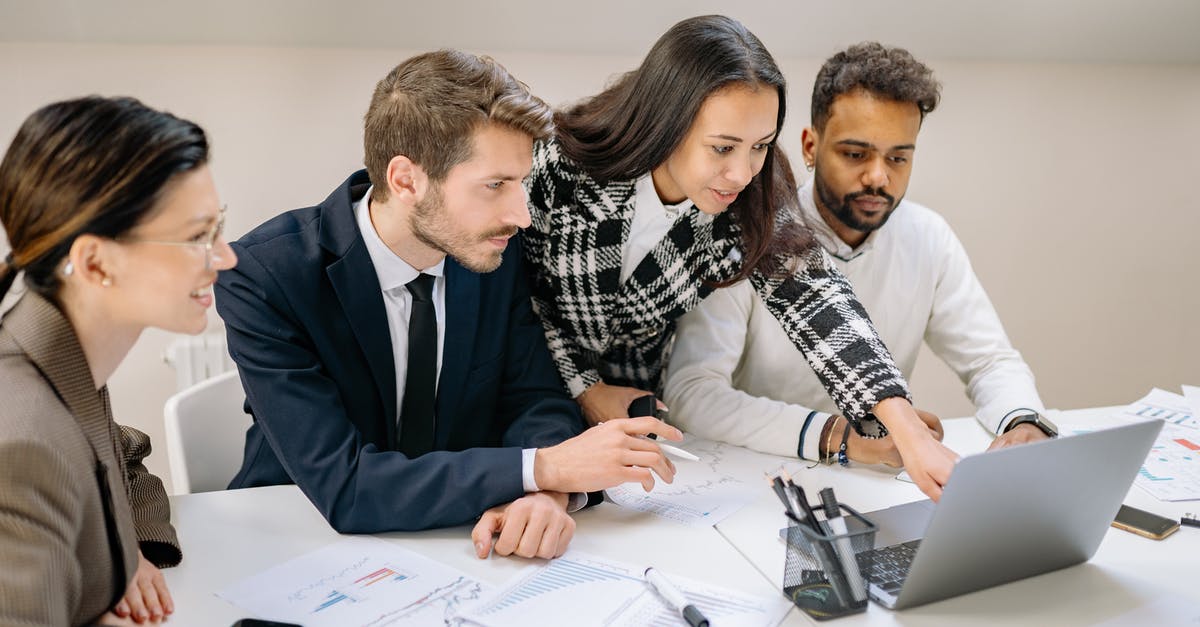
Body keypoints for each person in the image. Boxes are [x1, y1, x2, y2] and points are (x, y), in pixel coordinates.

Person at [215, 50, 682, 559]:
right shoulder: (264, 276)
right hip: (293, 543)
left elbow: (533, 397)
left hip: (459, 545)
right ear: (405, 180)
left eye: (521, 182)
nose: (522, 216)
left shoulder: (488, 249)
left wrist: (547, 496)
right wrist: (544, 468)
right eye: (495, 185)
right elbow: (346, 485)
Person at [523, 15, 956, 501]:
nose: (741, 172)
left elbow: (819, 301)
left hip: (637, 412)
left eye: (760, 147)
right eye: (722, 147)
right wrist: (585, 389)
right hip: (529, 394)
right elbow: (520, 298)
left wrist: (906, 430)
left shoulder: (753, 195)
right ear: (666, 122)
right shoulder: (561, 167)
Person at [665, 42, 1054, 468]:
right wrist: (835, 436)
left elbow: (989, 361)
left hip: (876, 481)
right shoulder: (749, 231)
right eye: (855, 154)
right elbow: (693, 392)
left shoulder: (928, 238)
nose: (877, 176)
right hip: (752, 477)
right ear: (810, 147)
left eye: (898, 158)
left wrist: (1023, 421)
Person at [0, 96, 233, 625]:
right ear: (95, 262)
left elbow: (119, 459)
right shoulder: (22, 443)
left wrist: (128, 554)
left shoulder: (63, 359)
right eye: (198, 236)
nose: (225, 257)